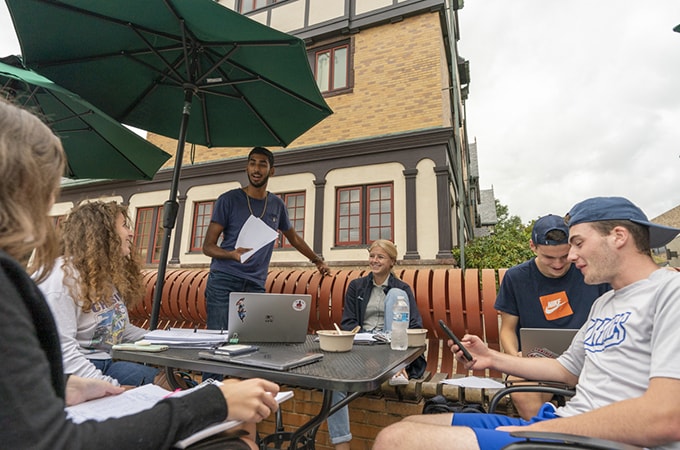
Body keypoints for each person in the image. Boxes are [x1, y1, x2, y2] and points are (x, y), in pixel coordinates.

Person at [0, 98, 280, 450]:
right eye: (44, 190)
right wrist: (211, 402)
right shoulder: (47, 279)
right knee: (228, 433)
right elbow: (51, 419)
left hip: (96, 377)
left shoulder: (77, 278)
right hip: (101, 369)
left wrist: (164, 340)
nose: (132, 233)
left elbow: (118, 333)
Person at [373, 196, 680, 450]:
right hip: (563, 424)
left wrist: (556, 426)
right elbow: (565, 370)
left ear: (618, 237)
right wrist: (492, 358)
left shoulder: (670, 292)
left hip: (594, 439)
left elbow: (667, 417)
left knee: (395, 440)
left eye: (578, 243)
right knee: (411, 424)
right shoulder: (606, 302)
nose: (570, 256)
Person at [202, 146, 330, 333]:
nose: (256, 169)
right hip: (224, 280)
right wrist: (231, 255)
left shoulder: (277, 205)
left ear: (271, 171)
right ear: (246, 168)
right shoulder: (228, 200)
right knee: (219, 338)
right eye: (252, 163)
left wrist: (318, 261)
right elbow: (208, 247)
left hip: (255, 282)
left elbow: (293, 237)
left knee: (251, 338)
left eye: (262, 165)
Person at [495, 214, 610, 419]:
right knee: (520, 388)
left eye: (564, 256)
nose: (558, 264)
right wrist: (515, 358)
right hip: (540, 362)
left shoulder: (591, 272)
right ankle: (548, 437)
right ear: (533, 246)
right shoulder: (516, 277)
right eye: (549, 257)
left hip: (590, 361)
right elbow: (507, 329)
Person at [38, 201, 162, 387]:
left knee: (171, 382)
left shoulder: (100, 276)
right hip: (70, 375)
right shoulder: (62, 279)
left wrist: (167, 340)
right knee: (160, 391)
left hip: (106, 364)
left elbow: (120, 329)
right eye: (124, 225)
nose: (131, 233)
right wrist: (110, 387)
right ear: (104, 233)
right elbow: (61, 351)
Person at [327, 239, 426, 450]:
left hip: (393, 347)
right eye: (372, 256)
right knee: (334, 380)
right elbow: (348, 323)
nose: (374, 261)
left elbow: (415, 325)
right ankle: (341, 444)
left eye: (380, 257)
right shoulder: (357, 286)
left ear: (392, 261)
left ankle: (398, 367)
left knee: (395, 297)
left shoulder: (402, 289)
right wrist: (368, 341)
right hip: (363, 348)